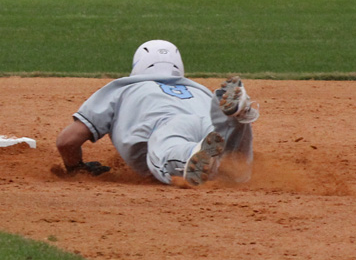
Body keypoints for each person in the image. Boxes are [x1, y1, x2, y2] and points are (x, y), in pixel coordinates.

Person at [55, 39, 258, 186]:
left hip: (167, 126)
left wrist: (76, 168)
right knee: (232, 161)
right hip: (207, 122)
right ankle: (234, 121)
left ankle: (192, 153)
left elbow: (67, 141)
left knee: (170, 150)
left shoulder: (122, 88)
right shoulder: (199, 89)